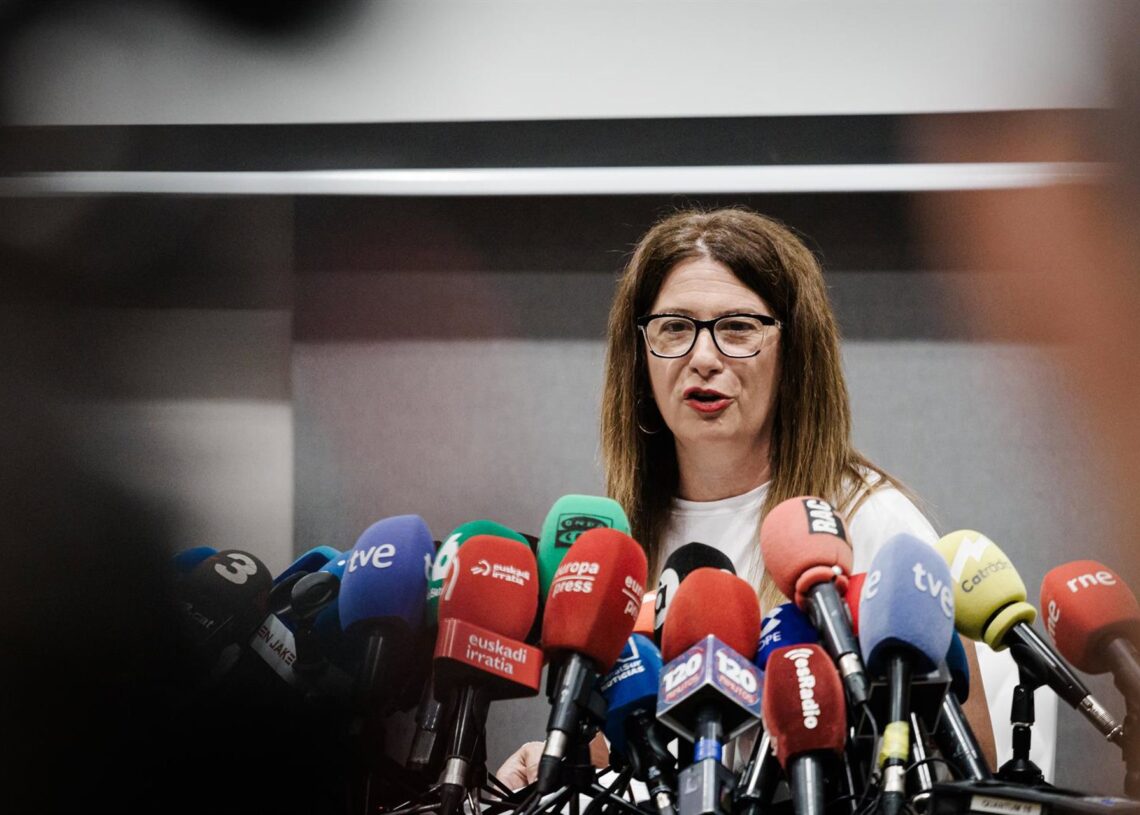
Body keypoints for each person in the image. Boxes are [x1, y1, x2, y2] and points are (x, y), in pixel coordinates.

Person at [498, 206, 998, 788]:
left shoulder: (872, 525)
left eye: (737, 327)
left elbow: (970, 775)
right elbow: (645, 741)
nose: (703, 358)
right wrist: (566, 762)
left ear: (795, 354)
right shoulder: (618, 543)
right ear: (639, 355)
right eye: (674, 327)